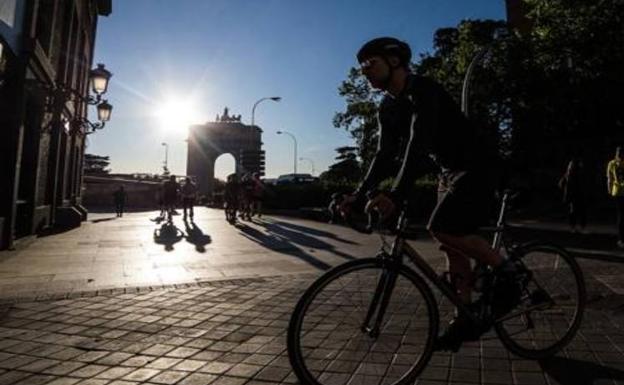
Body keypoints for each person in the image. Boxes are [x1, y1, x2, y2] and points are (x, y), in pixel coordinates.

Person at [340, 37, 519, 351]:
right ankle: (465, 315)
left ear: (394, 62)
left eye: (371, 64)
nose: (365, 72)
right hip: (448, 171)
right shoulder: (388, 106)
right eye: (362, 67)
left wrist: (395, 194)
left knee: (443, 226)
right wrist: (358, 193)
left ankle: (508, 274)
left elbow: (418, 144)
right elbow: (385, 155)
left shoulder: (424, 89)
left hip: (478, 165)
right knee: (448, 243)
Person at [559, 158, 587, 233]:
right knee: (580, 211)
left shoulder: (569, 174)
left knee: (575, 211)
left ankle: (574, 227)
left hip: (574, 195)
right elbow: (561, 184)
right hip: (577, 195)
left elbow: (561, 184)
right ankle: (579, 227)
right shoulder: (575, 174)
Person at [607, 146, 624, 248]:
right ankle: (621, 238)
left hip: (617, 192)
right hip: (619, 192)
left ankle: (621, 239)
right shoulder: (614, 163)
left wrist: (609, 190)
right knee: (622, 216)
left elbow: (609, 179)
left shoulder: (612, 163)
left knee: (621, 216)